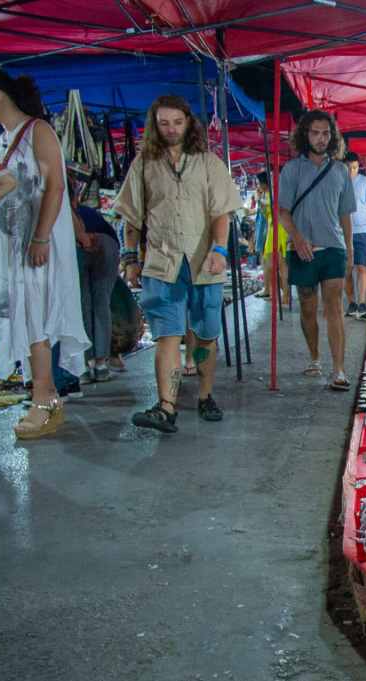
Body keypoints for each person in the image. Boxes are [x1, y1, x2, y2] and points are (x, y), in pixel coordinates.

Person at [114, 94, 242, 433]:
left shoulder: (209, 163)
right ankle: (166, 407)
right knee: (167, 335)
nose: (171, 129)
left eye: (177, 122)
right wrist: (130, 257)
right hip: (162, 262)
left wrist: (219, 250)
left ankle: (205, 394)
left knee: (206, 336)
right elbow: (132, 218)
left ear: (188, 123)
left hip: (204, 263)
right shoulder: (143, 164)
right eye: (164, 123)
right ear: (155, 125)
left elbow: (221, 213)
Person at [0, 69, 90, 439]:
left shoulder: (38, 130)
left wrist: (41, 237)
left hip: (36, 242)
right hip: (12, 246)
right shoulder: (0, 141)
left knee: (36, 318)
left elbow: (55, 187)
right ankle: (43, 396)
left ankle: (44, 399)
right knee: (22, 315)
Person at [278, 109, 355, 391]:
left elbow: (345, 214)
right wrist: (297, 239)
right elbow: (283, 212)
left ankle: (339, 369)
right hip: (302, 250)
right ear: (305, 135)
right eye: (315, 133)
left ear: (332, 136)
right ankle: (314, 357)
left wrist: (350, 251)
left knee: (334, 306)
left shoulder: (340, 171)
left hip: (333, 247)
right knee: (308, 306)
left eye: (325, 133)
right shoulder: (291, 170)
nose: (321, 138)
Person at [71, 186, 119, 382]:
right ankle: (101, 365)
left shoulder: (63, 213)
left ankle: (83, 366)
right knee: (101, 303)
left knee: (81, 305)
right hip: (107, 243)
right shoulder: (87, 212)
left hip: (79, 244)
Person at [344, 151, 366, 320]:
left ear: (359, 167)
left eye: (355, 168)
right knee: (347, 270)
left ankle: (362, 303)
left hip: (362, 232)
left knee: (362, 267)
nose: (352, 171)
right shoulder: (339, 184)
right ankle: (352, 303)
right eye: (349, 168)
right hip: (343, 234)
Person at [254, 172, 289, 305]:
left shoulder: (273, 194)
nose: (258, 186)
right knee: (272, 265)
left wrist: (259, 200)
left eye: (259, 183)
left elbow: (271, 211)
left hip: (278, 231)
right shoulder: (270, 194)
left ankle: (285, 296)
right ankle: (280, 294)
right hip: (273, 230)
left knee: (279, 265)